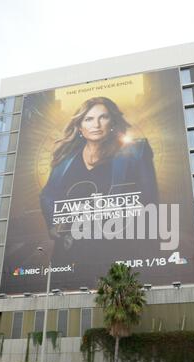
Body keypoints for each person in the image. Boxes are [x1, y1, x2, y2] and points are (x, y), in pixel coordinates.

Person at [39, 97, 159, 285]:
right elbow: (47, 194)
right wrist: (53, 225)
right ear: (79, 127)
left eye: (103, 117)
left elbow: (150, 201)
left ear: (112, 122)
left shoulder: (135, 151)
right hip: (69, 254)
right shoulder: (65, 159)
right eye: (88, 119)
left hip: (116, 251)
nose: (96, 124)